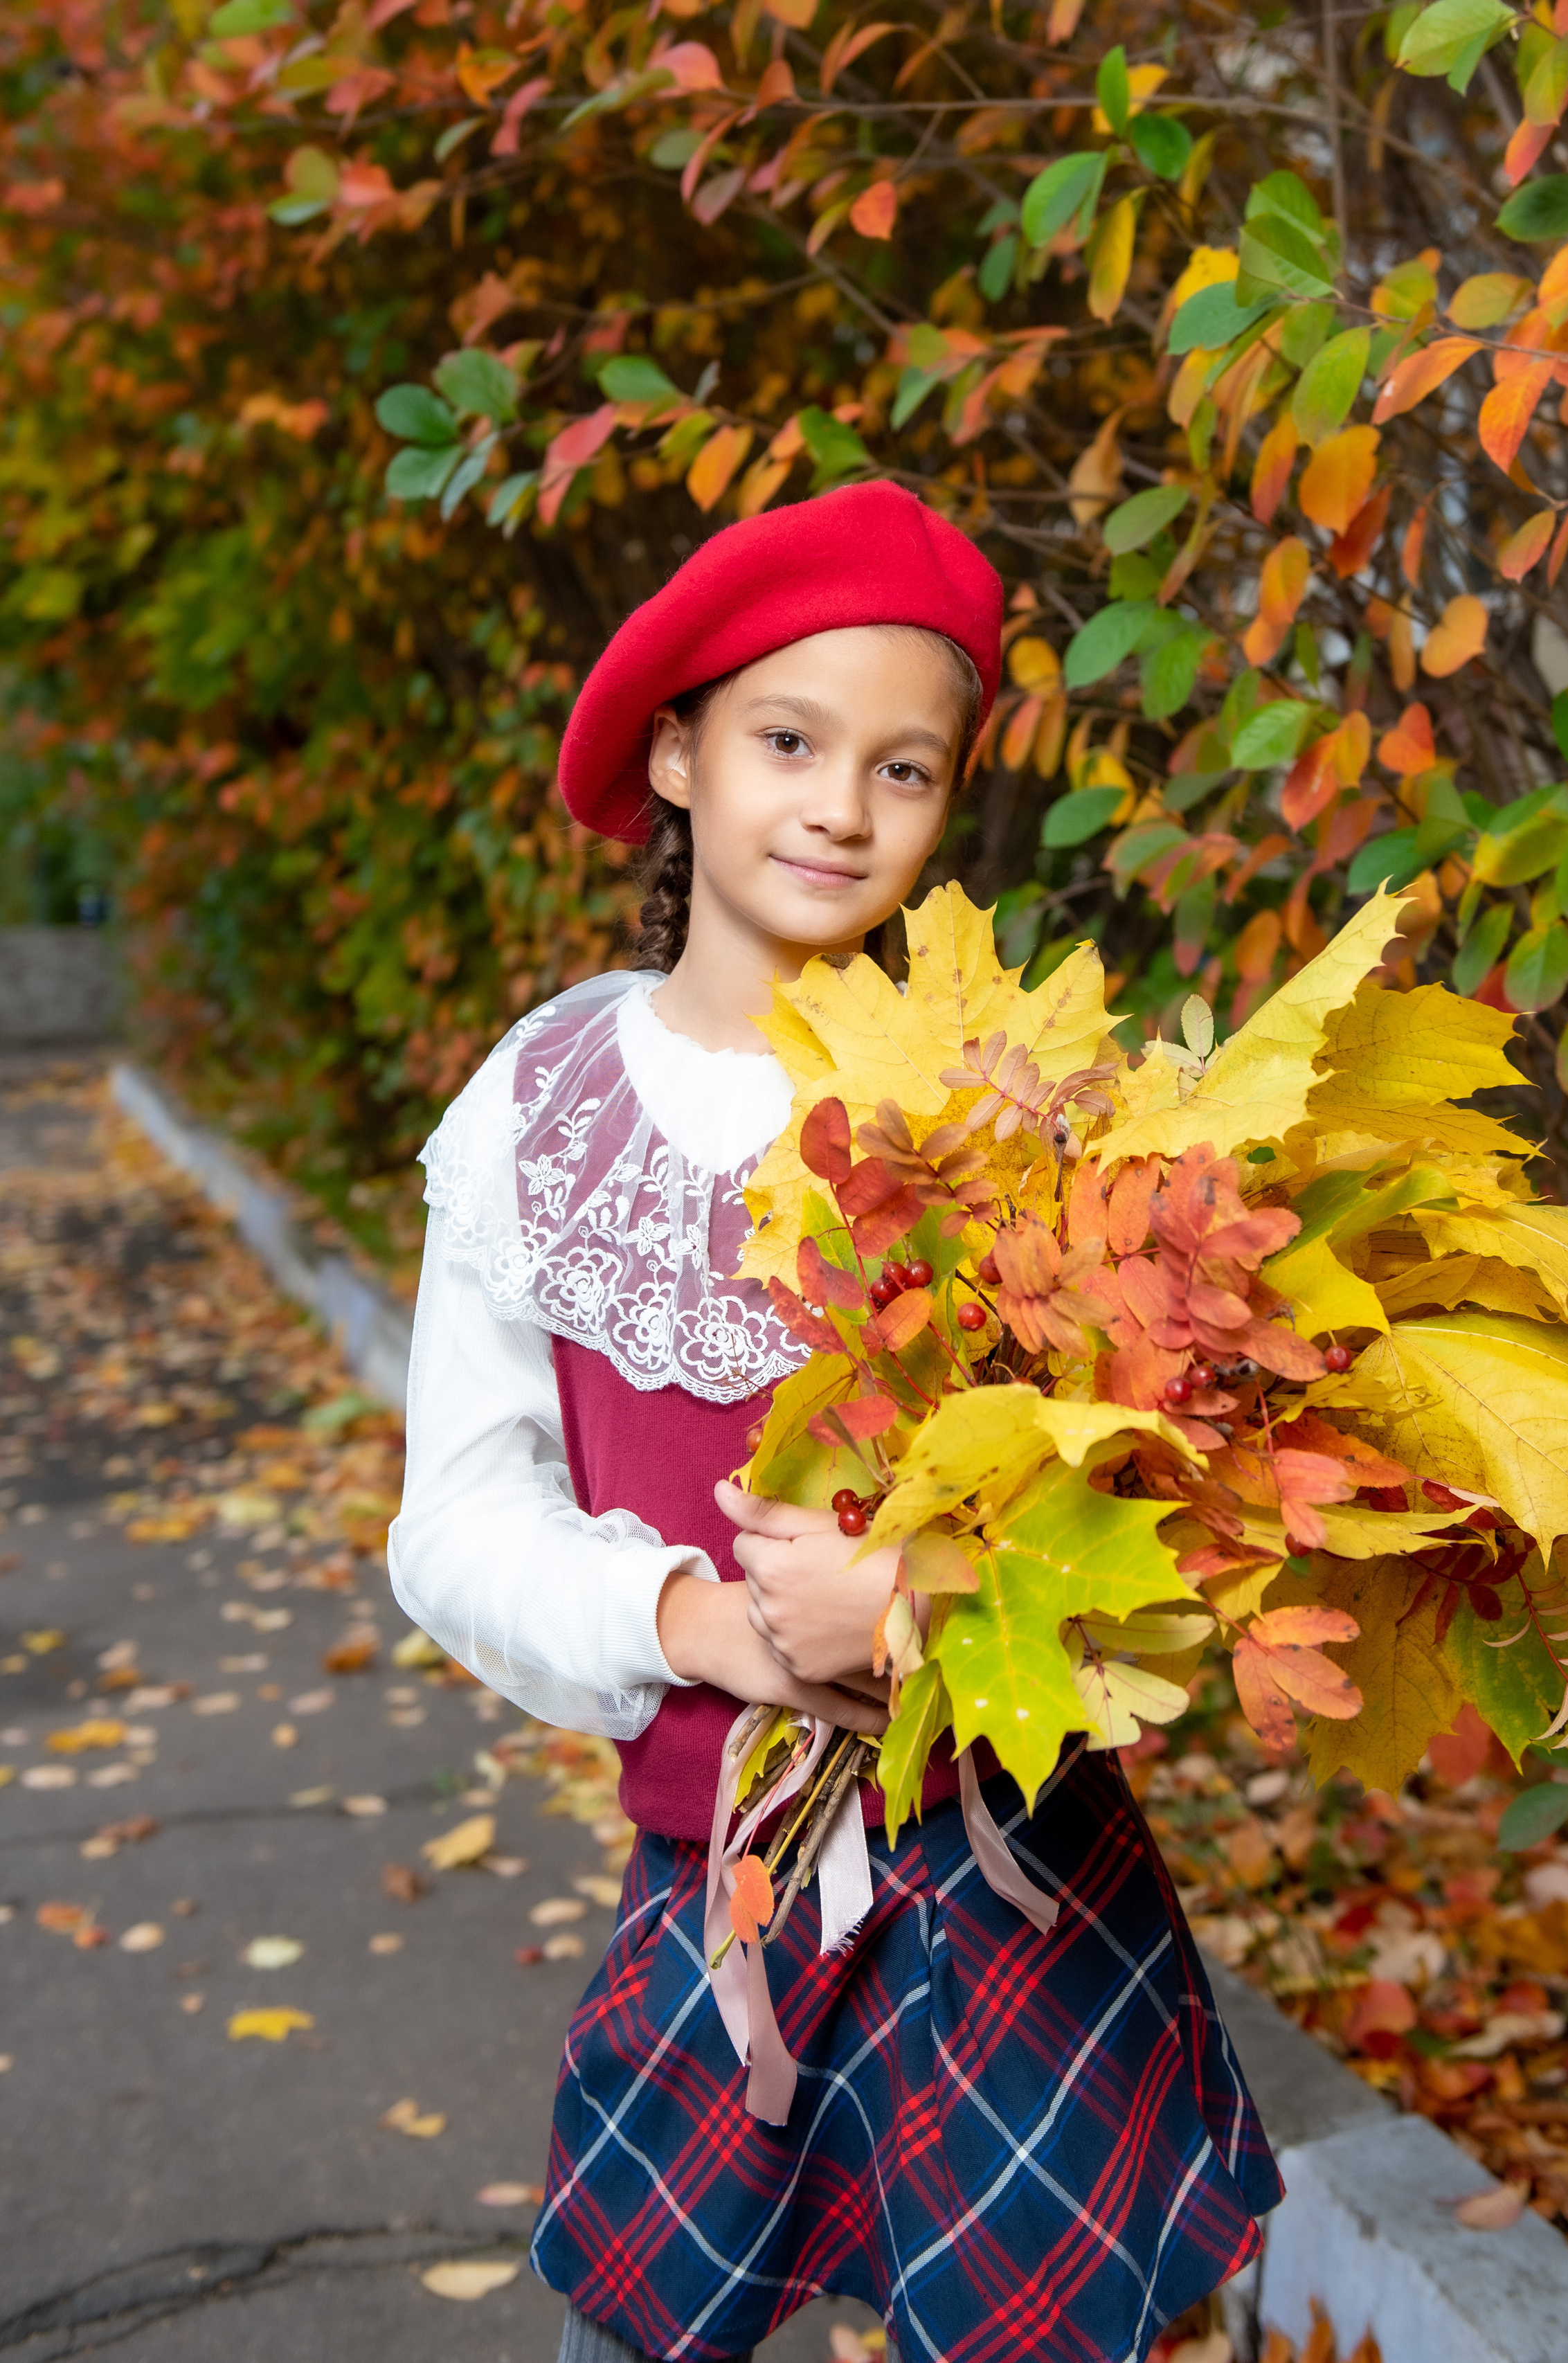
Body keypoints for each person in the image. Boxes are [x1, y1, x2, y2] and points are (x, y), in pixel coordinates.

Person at [387, 481, 1281, 2363]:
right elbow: (456, 1514)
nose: (841, 809)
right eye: (790, 741)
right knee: (637, 2325)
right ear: (680, 754)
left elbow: (1171, 1497)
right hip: (720, 1872)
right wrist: (699, 1624)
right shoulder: (545, 1107)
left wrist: (930, 1593)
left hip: (1013, 1868)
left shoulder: (1011, 1102)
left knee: (1055, 2326)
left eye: (906, 770)